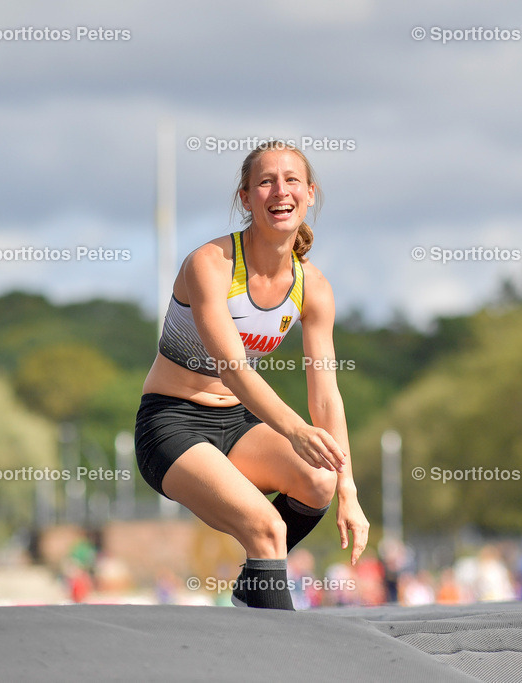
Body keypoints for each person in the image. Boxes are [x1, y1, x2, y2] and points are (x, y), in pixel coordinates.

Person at [135, 141, 369, 610]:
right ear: (246, 198)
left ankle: (252, 591)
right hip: (171, 424)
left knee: (319, 481)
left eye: (291, 180)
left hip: (238, 426)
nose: (278, 191)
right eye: (265, 181)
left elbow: (327, 397)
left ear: (309, 193)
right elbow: (233, 369)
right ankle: (277, 644)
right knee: (268, 528)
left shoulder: (313, 288)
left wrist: (348, 488)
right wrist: (294, 429)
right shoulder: (211, 264)